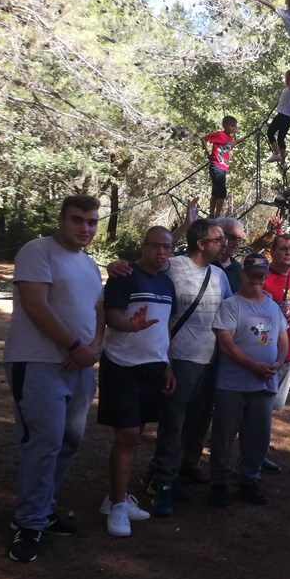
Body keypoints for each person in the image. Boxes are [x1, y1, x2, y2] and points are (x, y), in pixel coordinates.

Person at [4, 195, 104, 563]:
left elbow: (98, 310)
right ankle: (28, 522)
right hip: (37, 361)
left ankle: (42, 510)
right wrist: (75, 345)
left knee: (69, 441)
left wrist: (92, 346)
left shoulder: (90, 265)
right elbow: (35, 305)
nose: (85, 228)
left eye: (92, 222)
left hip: (79, 367)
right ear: (61, 219)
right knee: (42, 442)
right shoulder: (38, 251)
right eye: (78, 220)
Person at [149, 219, 233, 518]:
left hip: (209, 362)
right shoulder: (172, 268)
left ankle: (164, 475)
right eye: (218, 239)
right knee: (173, 424)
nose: (224, 244)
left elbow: (226, 317)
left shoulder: (220, 276)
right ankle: (163, 489)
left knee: (192, 424)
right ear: (201, 243)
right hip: (180, 360)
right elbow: (143, 274)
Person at [97, 226, 176, 537]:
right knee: (127, 435)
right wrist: (129, 325)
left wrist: (168, 365)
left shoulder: (167, 283)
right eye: (155, 246)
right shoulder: (124, 275)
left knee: (137, 433)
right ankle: (118, 506)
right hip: (122, 364)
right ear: (143, 246)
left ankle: (114, 498)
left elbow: (163, 330)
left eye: (166, 247)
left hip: (154, 367)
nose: (160, 252)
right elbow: (111, 316)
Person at [209, 254, 289, 507]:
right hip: (232, 384)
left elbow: (283, 339)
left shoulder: (273, 307)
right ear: (243, 274)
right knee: (224, 435)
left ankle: (249, 480)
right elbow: (226, 343)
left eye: (262, 274)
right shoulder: (231, 305)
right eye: (253, 273)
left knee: (258, 435)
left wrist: (278, 363)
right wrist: (253, 365)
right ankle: (219, 483)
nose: (258, 278)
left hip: (264, 383)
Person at [263, 235, 290, 412]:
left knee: (274, 406)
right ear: (272, 252)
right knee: (259, 403)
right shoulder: (263, 275)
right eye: (283, 248)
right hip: (266, 352)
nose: (288, 252)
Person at [202, 116, 238, 219]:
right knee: (222, 193)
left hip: (222, 168)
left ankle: (212, 214)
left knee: (216, 192)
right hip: (216, 166)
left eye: (235, 126)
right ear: (225, 126)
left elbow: (229, 146)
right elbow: (204, 139)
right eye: (231, 126)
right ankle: (217, 215)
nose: (234, 128)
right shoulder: (219, 134)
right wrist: (208, 152)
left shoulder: (230, 139)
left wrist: (238, 141)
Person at [265, 70, 290, 167]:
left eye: (287, 78)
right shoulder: (289, 89)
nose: (286, 80)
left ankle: (277, 154)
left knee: (270, 132)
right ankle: (283, 161)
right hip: (288, 117)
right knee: (280, 138)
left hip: (283, 115)